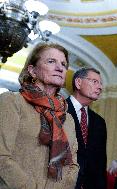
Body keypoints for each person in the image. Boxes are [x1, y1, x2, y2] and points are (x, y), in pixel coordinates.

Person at [0, 43, 79, 189]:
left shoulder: (68, 118)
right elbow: (1, 156)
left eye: (63, 64)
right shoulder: (12, 101)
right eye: (51, 61)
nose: (60, 68)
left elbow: (73, 165)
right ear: (32, 71)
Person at [66, 67, 107, 189]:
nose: (100, 87)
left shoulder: (99, 122)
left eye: (100, 83)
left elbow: (100, 164)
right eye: (95, 82)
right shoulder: (59, 110)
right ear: (78, 83)